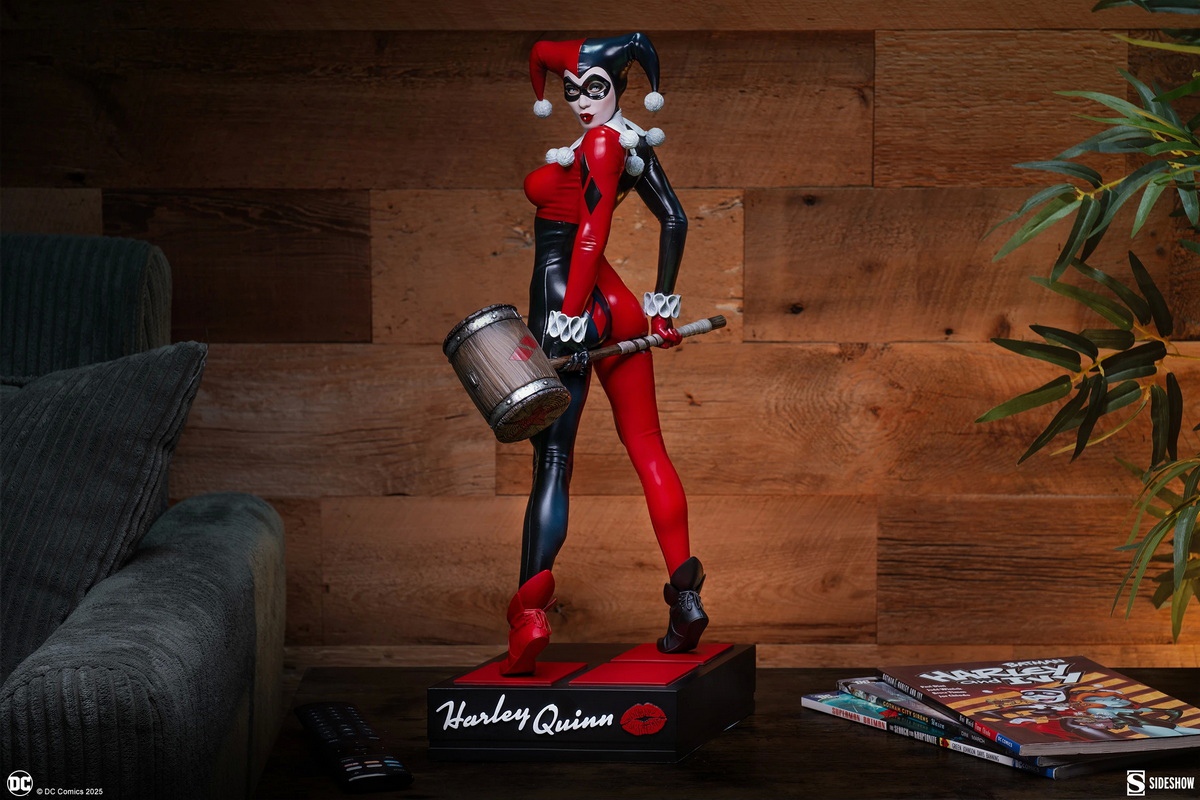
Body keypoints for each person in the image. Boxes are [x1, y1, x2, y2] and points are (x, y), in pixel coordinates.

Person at [500, 33, 708, 676]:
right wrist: (660, 309)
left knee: (553, 461)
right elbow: (674, 220)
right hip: (619, 304)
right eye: (572, 92)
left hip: (569, 300)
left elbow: (591, 235)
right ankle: (686, 599)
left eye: (595, 89)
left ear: (619, 86)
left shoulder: (598, 145)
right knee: (648, 448)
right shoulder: (628, 142)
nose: (583, 102)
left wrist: (566, 316)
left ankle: (529, 618)